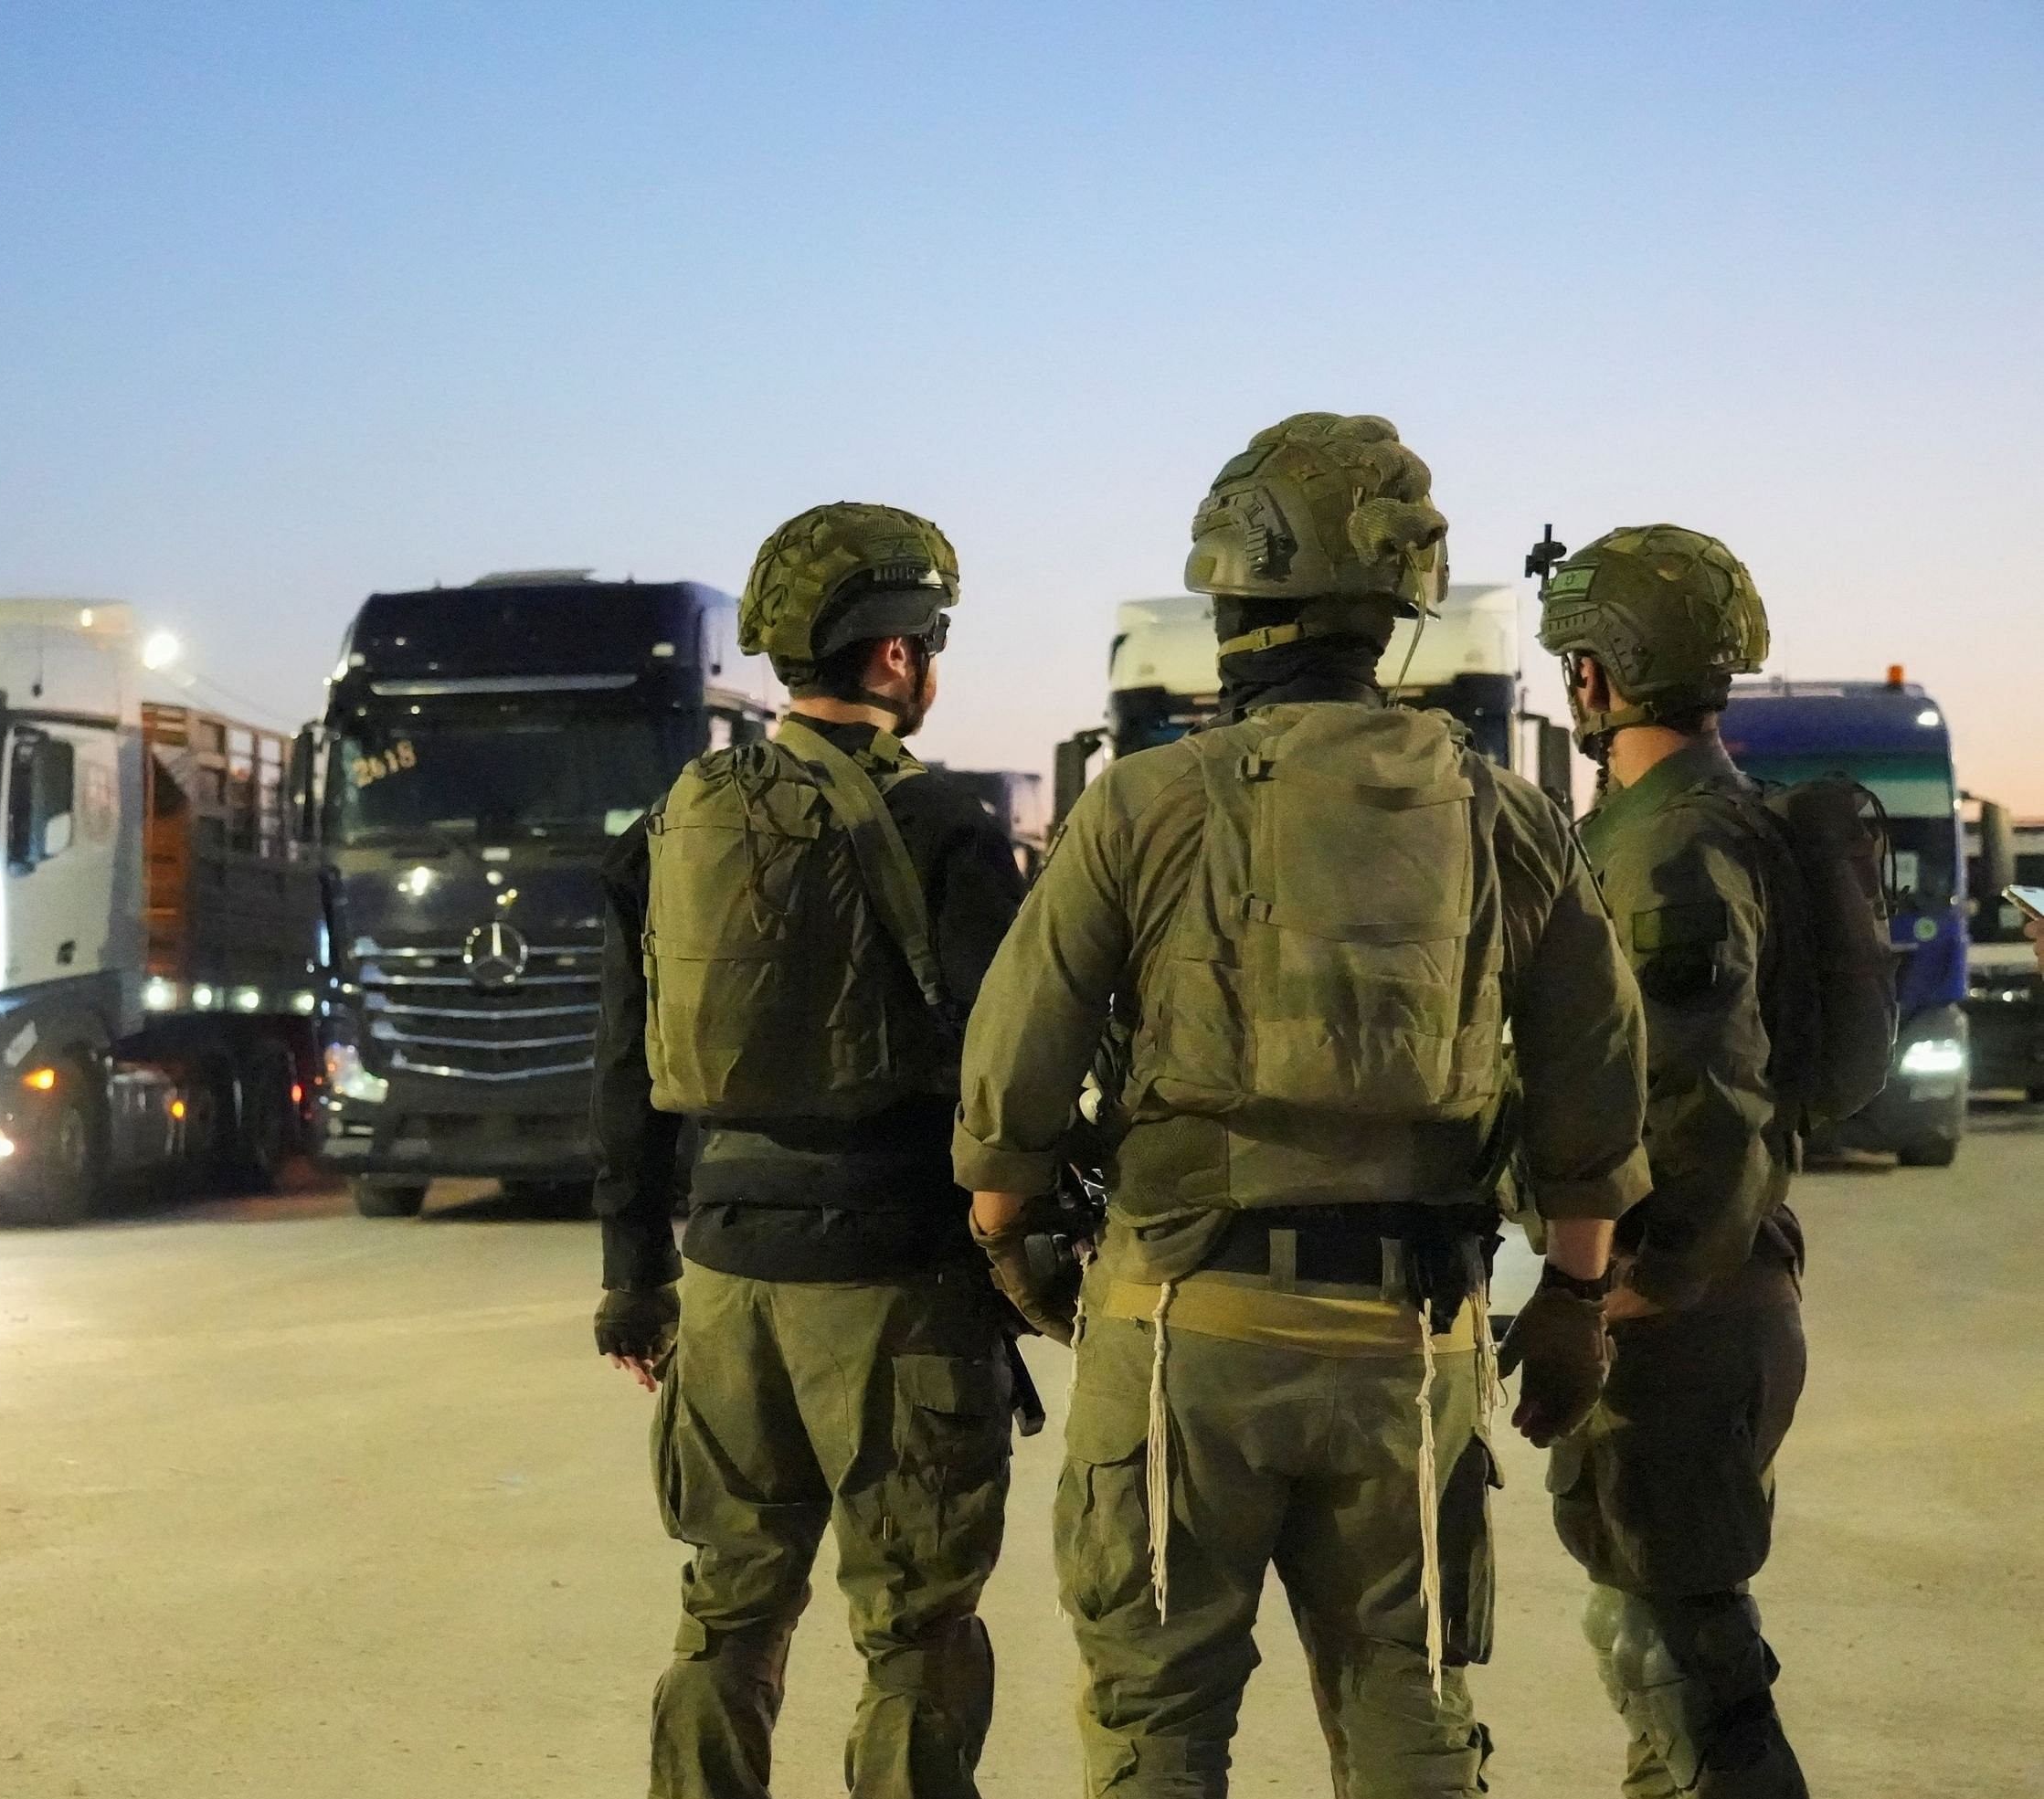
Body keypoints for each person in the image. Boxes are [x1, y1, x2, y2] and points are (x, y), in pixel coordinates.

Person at [954, 413, 1652, 1797]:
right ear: (1394, 606)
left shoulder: (1145, 803)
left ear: (1235, 605)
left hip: (1182, 1331)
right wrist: (1573, 1298)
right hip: (1413, 1339)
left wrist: (1010, 1240)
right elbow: (1595, 1080)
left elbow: (1014, 1071)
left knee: (1161, 1724)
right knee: (1409, 1699)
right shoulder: (1505, 814)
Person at [593, 501, 1031, 1799]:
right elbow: (1001, 1068)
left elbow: (624, 1065)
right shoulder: (947, 822)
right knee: (914, 1629)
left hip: (724, 1284)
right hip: (894, 1290)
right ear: (894, 656)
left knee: (727, 1615)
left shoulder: (671, 824)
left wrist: (633, 1275)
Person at [1536, 525, 1816, 1796]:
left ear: (1595, 677)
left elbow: (1696, 1110)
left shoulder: (1663, 851)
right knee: (1660, 1661)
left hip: (1680, 1313)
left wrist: (1608, 1297)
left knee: (1684, 1665)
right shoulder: (1726, 817)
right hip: (1723, 1292)